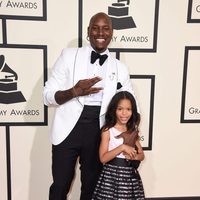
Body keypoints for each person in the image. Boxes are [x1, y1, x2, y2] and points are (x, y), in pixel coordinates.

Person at [43, 12, 139, 200]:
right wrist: (74, 91)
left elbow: (130, 105)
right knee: (60, 185)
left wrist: (131, 137)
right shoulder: (69, 55)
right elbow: (47, 96)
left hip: (100, 130)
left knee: (92, 187)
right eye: (95, 28)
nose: (100, 33)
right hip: (67, 130)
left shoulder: (120, 68)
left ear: (111, 33)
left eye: (105, 28)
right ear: (88, 31)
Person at [92, 91, 145, 200]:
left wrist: (134, 157)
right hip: (111, 177)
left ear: (133, 111)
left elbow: (142, 155)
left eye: (128, 109)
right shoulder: (108, 130)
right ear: (114, 110)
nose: (124, 113)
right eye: (120, 109)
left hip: (129, 177)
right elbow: (103, 158)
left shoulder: (132, 131)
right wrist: (122, 147)